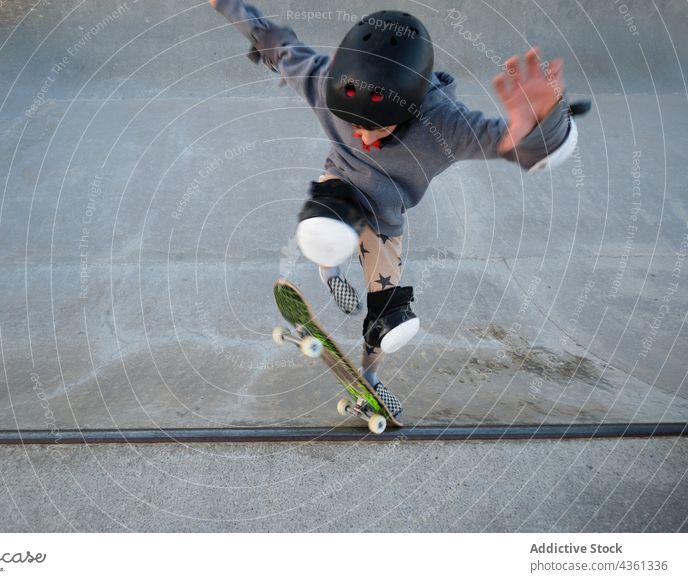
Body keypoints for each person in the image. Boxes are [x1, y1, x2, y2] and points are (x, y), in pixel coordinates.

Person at [210, 0, 581, 417]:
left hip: (387, 219)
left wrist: (540, 123)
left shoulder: (444, 125)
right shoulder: (320, 78)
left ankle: (369, 379)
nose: (363, 136)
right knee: (324, 233)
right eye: (353, 125)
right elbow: (274, 41)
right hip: (341, 191)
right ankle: (329, 270)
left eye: (375, 128)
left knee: (390, 323)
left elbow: (521, 146)